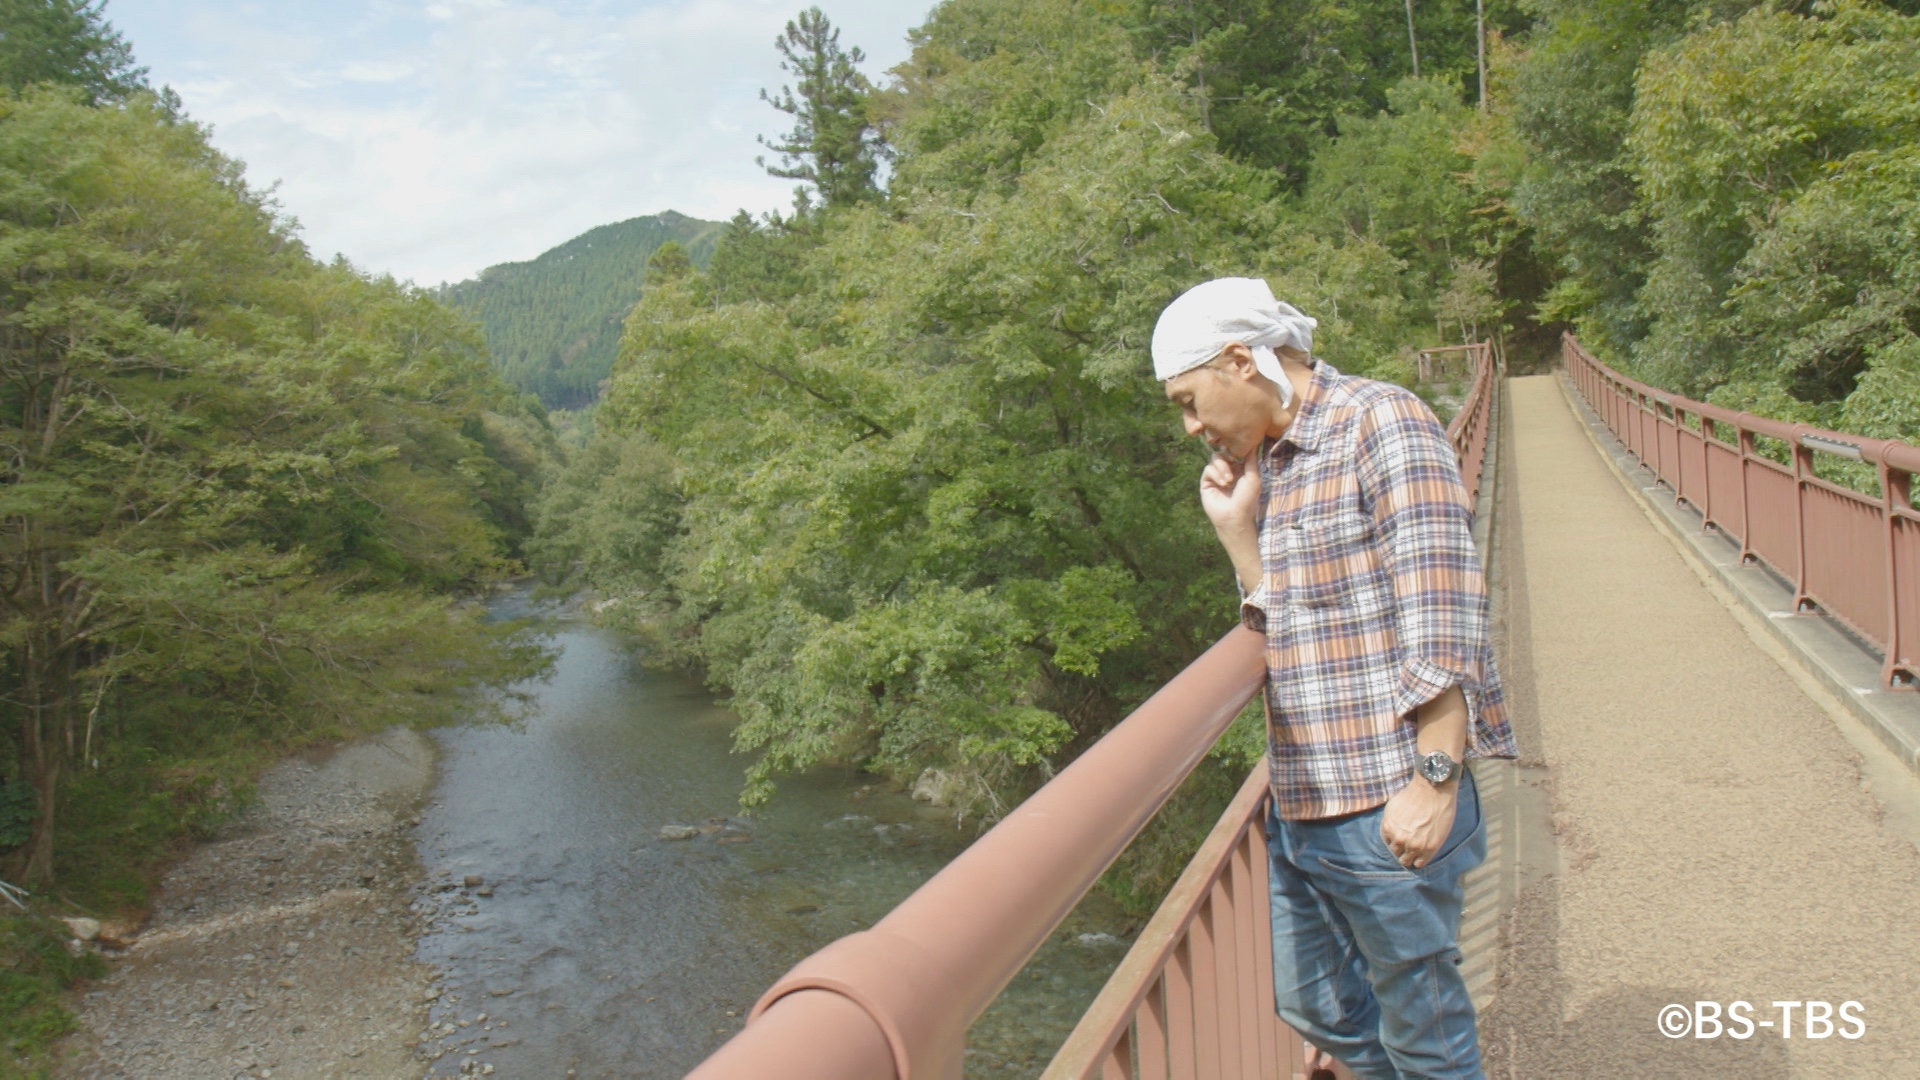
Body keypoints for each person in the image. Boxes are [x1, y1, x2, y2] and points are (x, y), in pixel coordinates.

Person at [1154, 278, 1516, 1079]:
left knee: (1429, 1035)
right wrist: (1238, 533)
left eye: (1188, 399)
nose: (1190, 426)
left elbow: (1445, 612)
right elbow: (1288, 621)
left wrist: (1433, 782)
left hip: (1389, 801)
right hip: (1306, 800)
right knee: (1314, 1005)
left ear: (1241, 361)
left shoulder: (1379, 422)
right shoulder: (1272, 465)